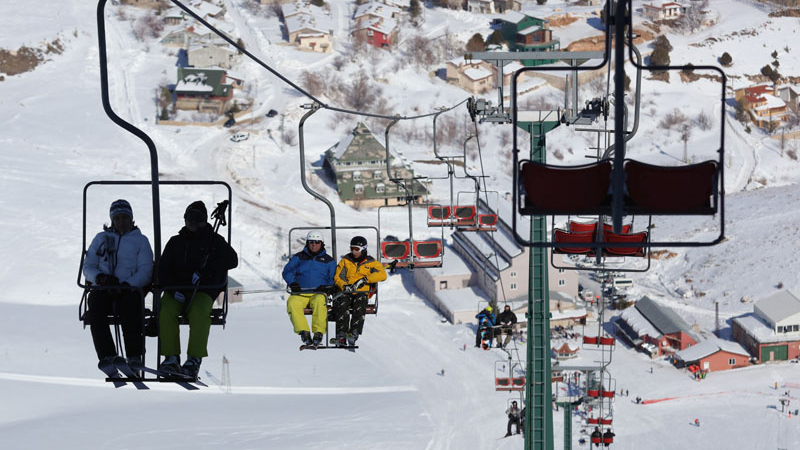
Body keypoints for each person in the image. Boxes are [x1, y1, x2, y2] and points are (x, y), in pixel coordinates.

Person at [158, 201, 238, 378]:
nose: (193, 222)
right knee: (166, 309)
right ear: (185, 220)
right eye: (190, 218)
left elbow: (232, 260)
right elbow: (163, 269)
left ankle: (194, 359)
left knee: (200, 312)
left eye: (199, 218)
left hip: (203, 290)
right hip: (177, 289)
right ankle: (171, 357)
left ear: (205, 220)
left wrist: (208, 268)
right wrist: (172, 289)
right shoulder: (176, 242)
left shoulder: (214, 241)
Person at [83, 200, 153, 373]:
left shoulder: (140, 241)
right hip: (104, 287)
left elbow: (145, 270)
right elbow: (88, 266)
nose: (121, 222)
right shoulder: (101, 239)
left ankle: (134, 356)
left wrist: (127, 284)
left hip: (129, 289)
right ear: (112, 220)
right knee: (96, 306)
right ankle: (107, 355)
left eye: (124, 218)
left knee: (131, 308)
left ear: (131, 219)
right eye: (117, 218)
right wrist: (100, 278)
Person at [282, 230, 336, 347]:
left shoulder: (328, 261)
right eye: (311, 242)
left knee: (319, 302)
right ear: (307, 243)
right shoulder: (299, 258)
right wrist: (293, 283)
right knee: (292, 302)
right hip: (301, 292)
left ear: (321, 243)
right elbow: (287, 271)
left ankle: (318, 333)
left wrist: (327, 286)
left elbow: (333, 277)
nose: (314, 244)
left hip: (319, 292)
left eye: (317, 242)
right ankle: (304, 332)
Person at [333, 236, 387, 346]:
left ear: (363, 249)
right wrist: (344, 286)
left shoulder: (371, 262)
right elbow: (337, 277)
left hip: (361, 291)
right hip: (347, 291)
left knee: (360, 303)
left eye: (356, 249)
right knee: (342, 304)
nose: (354, 251)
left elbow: (382, 275)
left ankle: (354, 332)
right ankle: (341, 334)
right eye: (352, 248)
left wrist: (366, 279)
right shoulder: (346, 261)